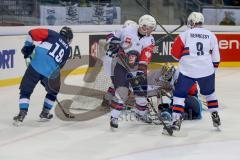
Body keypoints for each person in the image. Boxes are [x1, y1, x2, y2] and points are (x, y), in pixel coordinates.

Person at [166, 12, 221, 132]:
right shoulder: (211, 35)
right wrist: (212, 71)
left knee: (179, 95)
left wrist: (184, 56)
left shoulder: (184, 34)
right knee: (210, 94)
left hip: (188, 71)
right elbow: (216, 57)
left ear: (190, 22)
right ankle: (215, 114)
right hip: (207, 70)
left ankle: (176, 120)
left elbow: (175, 55)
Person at [103, 15, 156, 128]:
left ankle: (141, 113)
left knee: (141, 94)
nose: (151, 30)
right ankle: (114, 117)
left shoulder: (150, 39)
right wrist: (114, 41)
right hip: (121, 65)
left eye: (152, 28)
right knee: (122, 91)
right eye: (149, 27)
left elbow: (146, 56)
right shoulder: (127, 30)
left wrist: (140, 71)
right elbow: (109, 35)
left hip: (136, 67)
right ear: (143, 25)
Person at [13, 26, 73, 126]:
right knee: (53, 92)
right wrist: (47, 80)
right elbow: (60, 66)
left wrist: (27, 46)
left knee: (25, 91)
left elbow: (31, 33)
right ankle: (45, 113)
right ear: (69, 38)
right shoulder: (67, 50)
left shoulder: (52, 34)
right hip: (50, 72)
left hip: (35, 65)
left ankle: (22, 114)